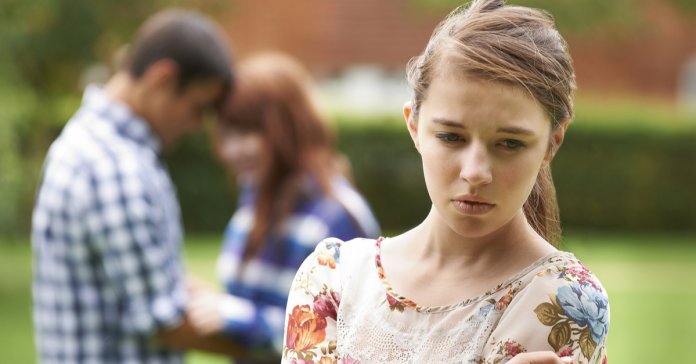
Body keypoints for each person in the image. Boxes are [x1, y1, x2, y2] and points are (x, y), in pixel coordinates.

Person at [281, 0, 610, 363]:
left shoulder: (561, 299)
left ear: (553, 142)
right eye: (452, 137)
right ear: (414, 125)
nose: (475, 172)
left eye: (510, 143)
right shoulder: (334, 277)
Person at [31, 8, 243, 363]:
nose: (196, 126)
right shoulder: (113, 167)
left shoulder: (93, 144)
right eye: (198, 107)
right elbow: (164, 319)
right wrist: (286, 350)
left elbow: (158, 278)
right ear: (162, 79)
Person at [184, 53, 381, 363]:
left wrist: (239, 318)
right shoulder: (254, 201)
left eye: (246, 132)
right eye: (225, 134)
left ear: (289, 128)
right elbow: (248, 303)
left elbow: (345, 338)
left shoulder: (337, 215)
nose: (232, 150)